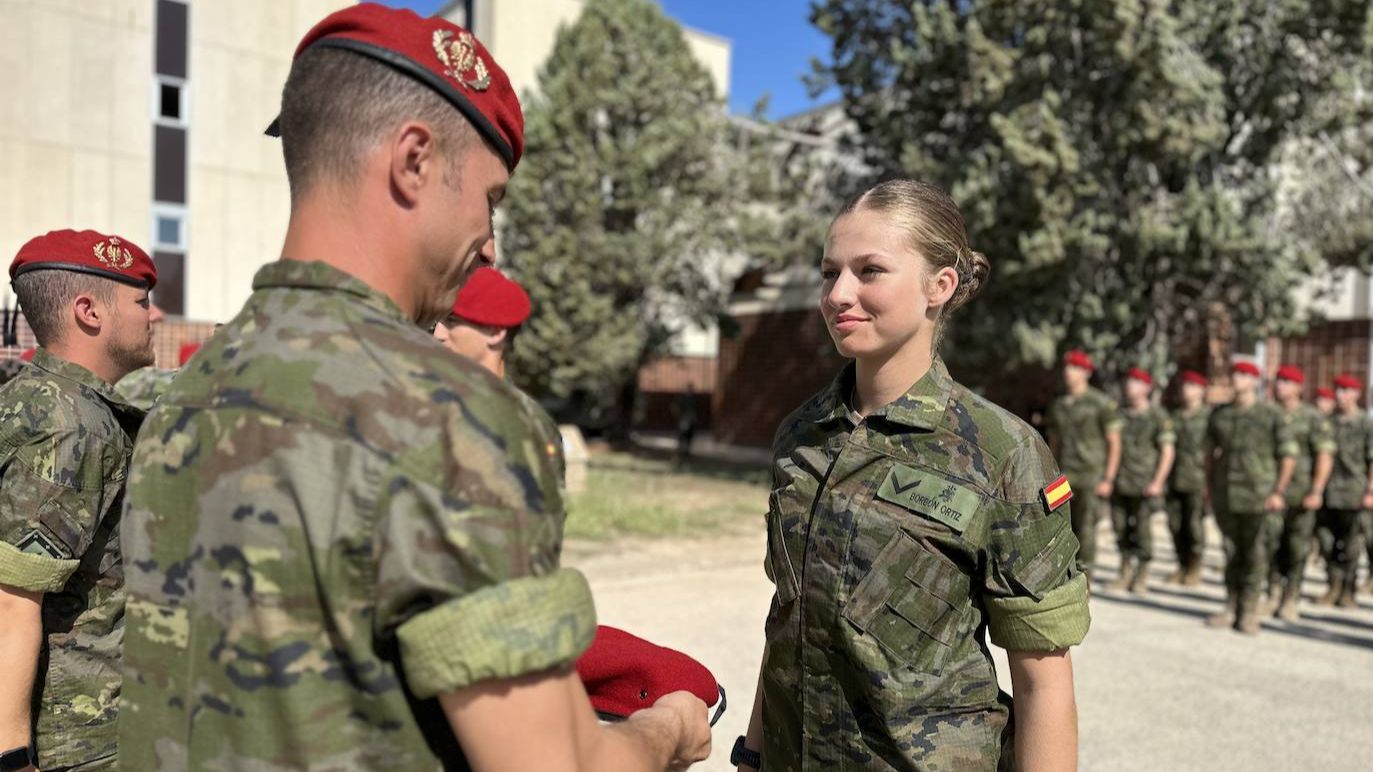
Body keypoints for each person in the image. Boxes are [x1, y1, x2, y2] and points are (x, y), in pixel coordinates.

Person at [116, 6, 709, 771]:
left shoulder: (174, 395)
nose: (489, 242)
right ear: (414, 161)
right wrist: (666, 730)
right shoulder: (450, 418)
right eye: (490, 199)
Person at [737, 180, 1088, 772]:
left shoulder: (1003, 454)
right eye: (829, 273)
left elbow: (1043, 683)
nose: (838, 294)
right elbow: (789, 621)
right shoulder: (803, 436)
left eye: (870, 270)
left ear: (939, 286)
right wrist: (751, 755)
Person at [0, 229, 161, 771]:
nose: (152, 317)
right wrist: (12, 757)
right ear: (89, 312)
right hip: (75, 739)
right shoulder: (74, 425)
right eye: (141, 302)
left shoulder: (32, 397)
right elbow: (11, 600)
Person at [433, 265, 564, 482]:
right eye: (437, 321)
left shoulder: (529, 426)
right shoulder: (426, 402)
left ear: (495, 332)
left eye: (452, 321)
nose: (438, 334)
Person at [1205, 361, 1297, 634]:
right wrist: (1209, 487)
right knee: (1231, 552)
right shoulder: (1220, 414)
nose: (1237, 378)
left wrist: (1278, 491)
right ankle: (1231, 605)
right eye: (1235, 373)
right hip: (1226, 494)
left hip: (1259, 497)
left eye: (1244, 374)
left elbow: (1288, 456)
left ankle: (1249, 610)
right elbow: (1209, 454)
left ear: (1255, 381)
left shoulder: (1271, 414)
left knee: (1256, 555)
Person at [1047, 349, 1123, 580]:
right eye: (1067, 367)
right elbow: (1054, 443)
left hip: (1091, 476)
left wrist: (1108, 479)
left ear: (1087, 373)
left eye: (1075, 368)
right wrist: (1049, 474)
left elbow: (1114, 443)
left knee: (1086, 527)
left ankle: (1084, 577)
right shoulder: (1059, 404)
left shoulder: (1101, 403)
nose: (1068, 372)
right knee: (1056, 524)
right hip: (1062, 476)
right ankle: (1061, 574)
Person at [1266, 365, 1334, 620]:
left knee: (1297, 548)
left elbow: (1324, 455)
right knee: (1270, 544)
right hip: (1269, 492)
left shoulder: (1313, 417)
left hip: (1300, 493)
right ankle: (1272, 594)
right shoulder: (1268, 414)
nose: (1280, 385)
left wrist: (1317, 490)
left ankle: (1290, 597)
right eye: (1278, 380)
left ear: (1298, 387)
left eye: (1287, 381)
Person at [1106, 368, 1174, 594]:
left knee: (1143, 529)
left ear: (1147, 387)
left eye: (1136, 382)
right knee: (1119, 527)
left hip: (1144, 483)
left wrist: (1158, 481)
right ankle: (1125, 571)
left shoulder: (1157, 416)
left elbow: (1167, 451)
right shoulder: (1118, 414)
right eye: (1128, 381)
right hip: (1120, 481)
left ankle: (1142, 573)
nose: (1130, 386)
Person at [1314, 373, 1373, 608]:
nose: (1340, 395)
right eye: (1338, 390)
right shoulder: (1327, 422)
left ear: (1356, 394)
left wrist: (1370, 491)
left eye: (1346, 390)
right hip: (1327, 493)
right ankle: (1333, 586)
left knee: (1351, 546)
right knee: (1326, 543)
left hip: (1353, 493)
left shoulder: (1365, 424)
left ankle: (1348, 591)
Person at [1165, 370, 1210, 585]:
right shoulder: (1175, 417)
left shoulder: (1208, 418)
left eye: (1192, 386)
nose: (1186, 390)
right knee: (1175, 524)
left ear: (1202, 390)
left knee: (1194, 526)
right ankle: (1182, 564)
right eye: (1184, 385)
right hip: (1175, 478)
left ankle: (1194, 566)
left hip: (1198, 479)